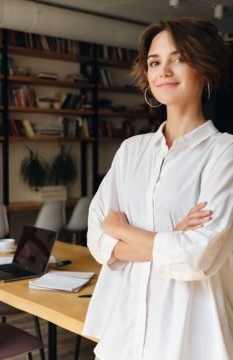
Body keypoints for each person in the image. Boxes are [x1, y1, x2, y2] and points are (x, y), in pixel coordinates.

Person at [83, 18, 233, 360]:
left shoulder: (225, 153)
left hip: (192, 335)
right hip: (124, 331)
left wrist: (122, 230)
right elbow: (96, 235)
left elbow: (198, 256)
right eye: (154, 62)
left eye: (178, 58)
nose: (163, 70)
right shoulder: (131, 151)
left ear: (205, 69)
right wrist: (170, 237)